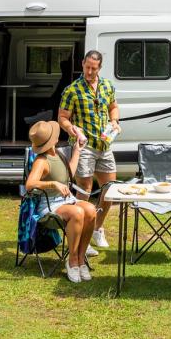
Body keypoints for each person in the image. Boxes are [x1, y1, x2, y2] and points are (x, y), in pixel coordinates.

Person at [57, 49, 118, 255]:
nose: (90, 71)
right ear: (82, 64)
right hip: (84, 146)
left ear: (99, 68)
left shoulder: (108, 86)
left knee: (110, 189)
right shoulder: (72, 90)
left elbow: (113, 107)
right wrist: (71, 128)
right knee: (84, 188)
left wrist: (115, 122)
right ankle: (83, 235)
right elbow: (62, 117)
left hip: (105, 145)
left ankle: (97, 228)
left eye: (94, 68)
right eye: (87, 67)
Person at [24, 120, 99, 282]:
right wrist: (53, 184)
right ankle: (72, 261)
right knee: (78, 212)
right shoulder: (41, 161)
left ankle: (80, 259)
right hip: (49, 206)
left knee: (91, 210)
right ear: (52, 139)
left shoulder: (57, 154)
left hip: (66, 201)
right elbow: (29, 185)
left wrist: (77, 151)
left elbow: (69, 175)